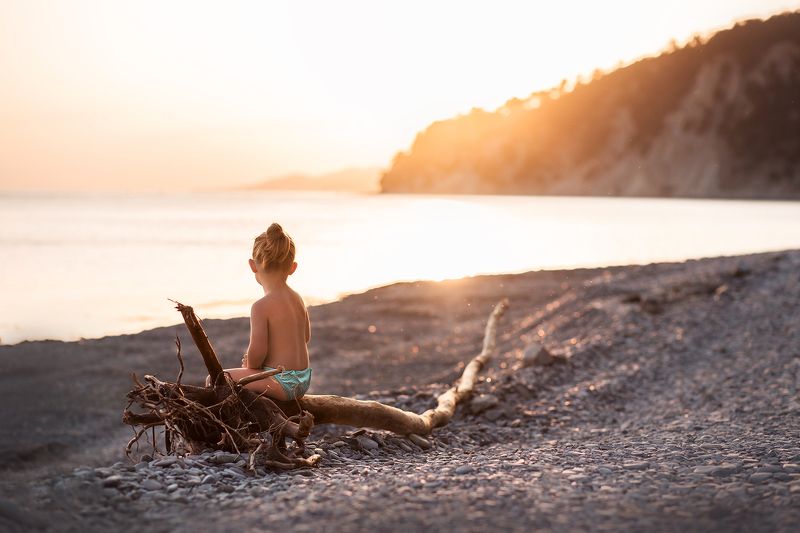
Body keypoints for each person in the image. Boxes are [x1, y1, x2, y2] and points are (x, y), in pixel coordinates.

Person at [207, 222, 312, 401]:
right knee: (245, 377)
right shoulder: (298, 298)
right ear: (293, 267)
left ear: (253, 265)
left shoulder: (260, 306)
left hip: (283, 382)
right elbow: (306, 337)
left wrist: (250, 363)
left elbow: (257, 356)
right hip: (303, 379)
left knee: (216, 378)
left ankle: (235, 424)